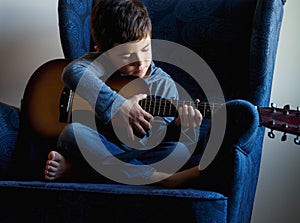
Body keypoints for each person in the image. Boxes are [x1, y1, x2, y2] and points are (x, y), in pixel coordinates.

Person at [44, 0, 202, 188]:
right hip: (95, 142)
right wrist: (118, 106)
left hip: (130, 152)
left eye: (145, 49)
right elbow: (71, 72)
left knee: (178, 150)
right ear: (102, 51)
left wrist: (178, 125)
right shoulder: (100, 64)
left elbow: (154, 138)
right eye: (127, 56)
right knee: (73, 133)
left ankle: (79, 170)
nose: (141, 62)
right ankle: (162, 179)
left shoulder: (163, 85)